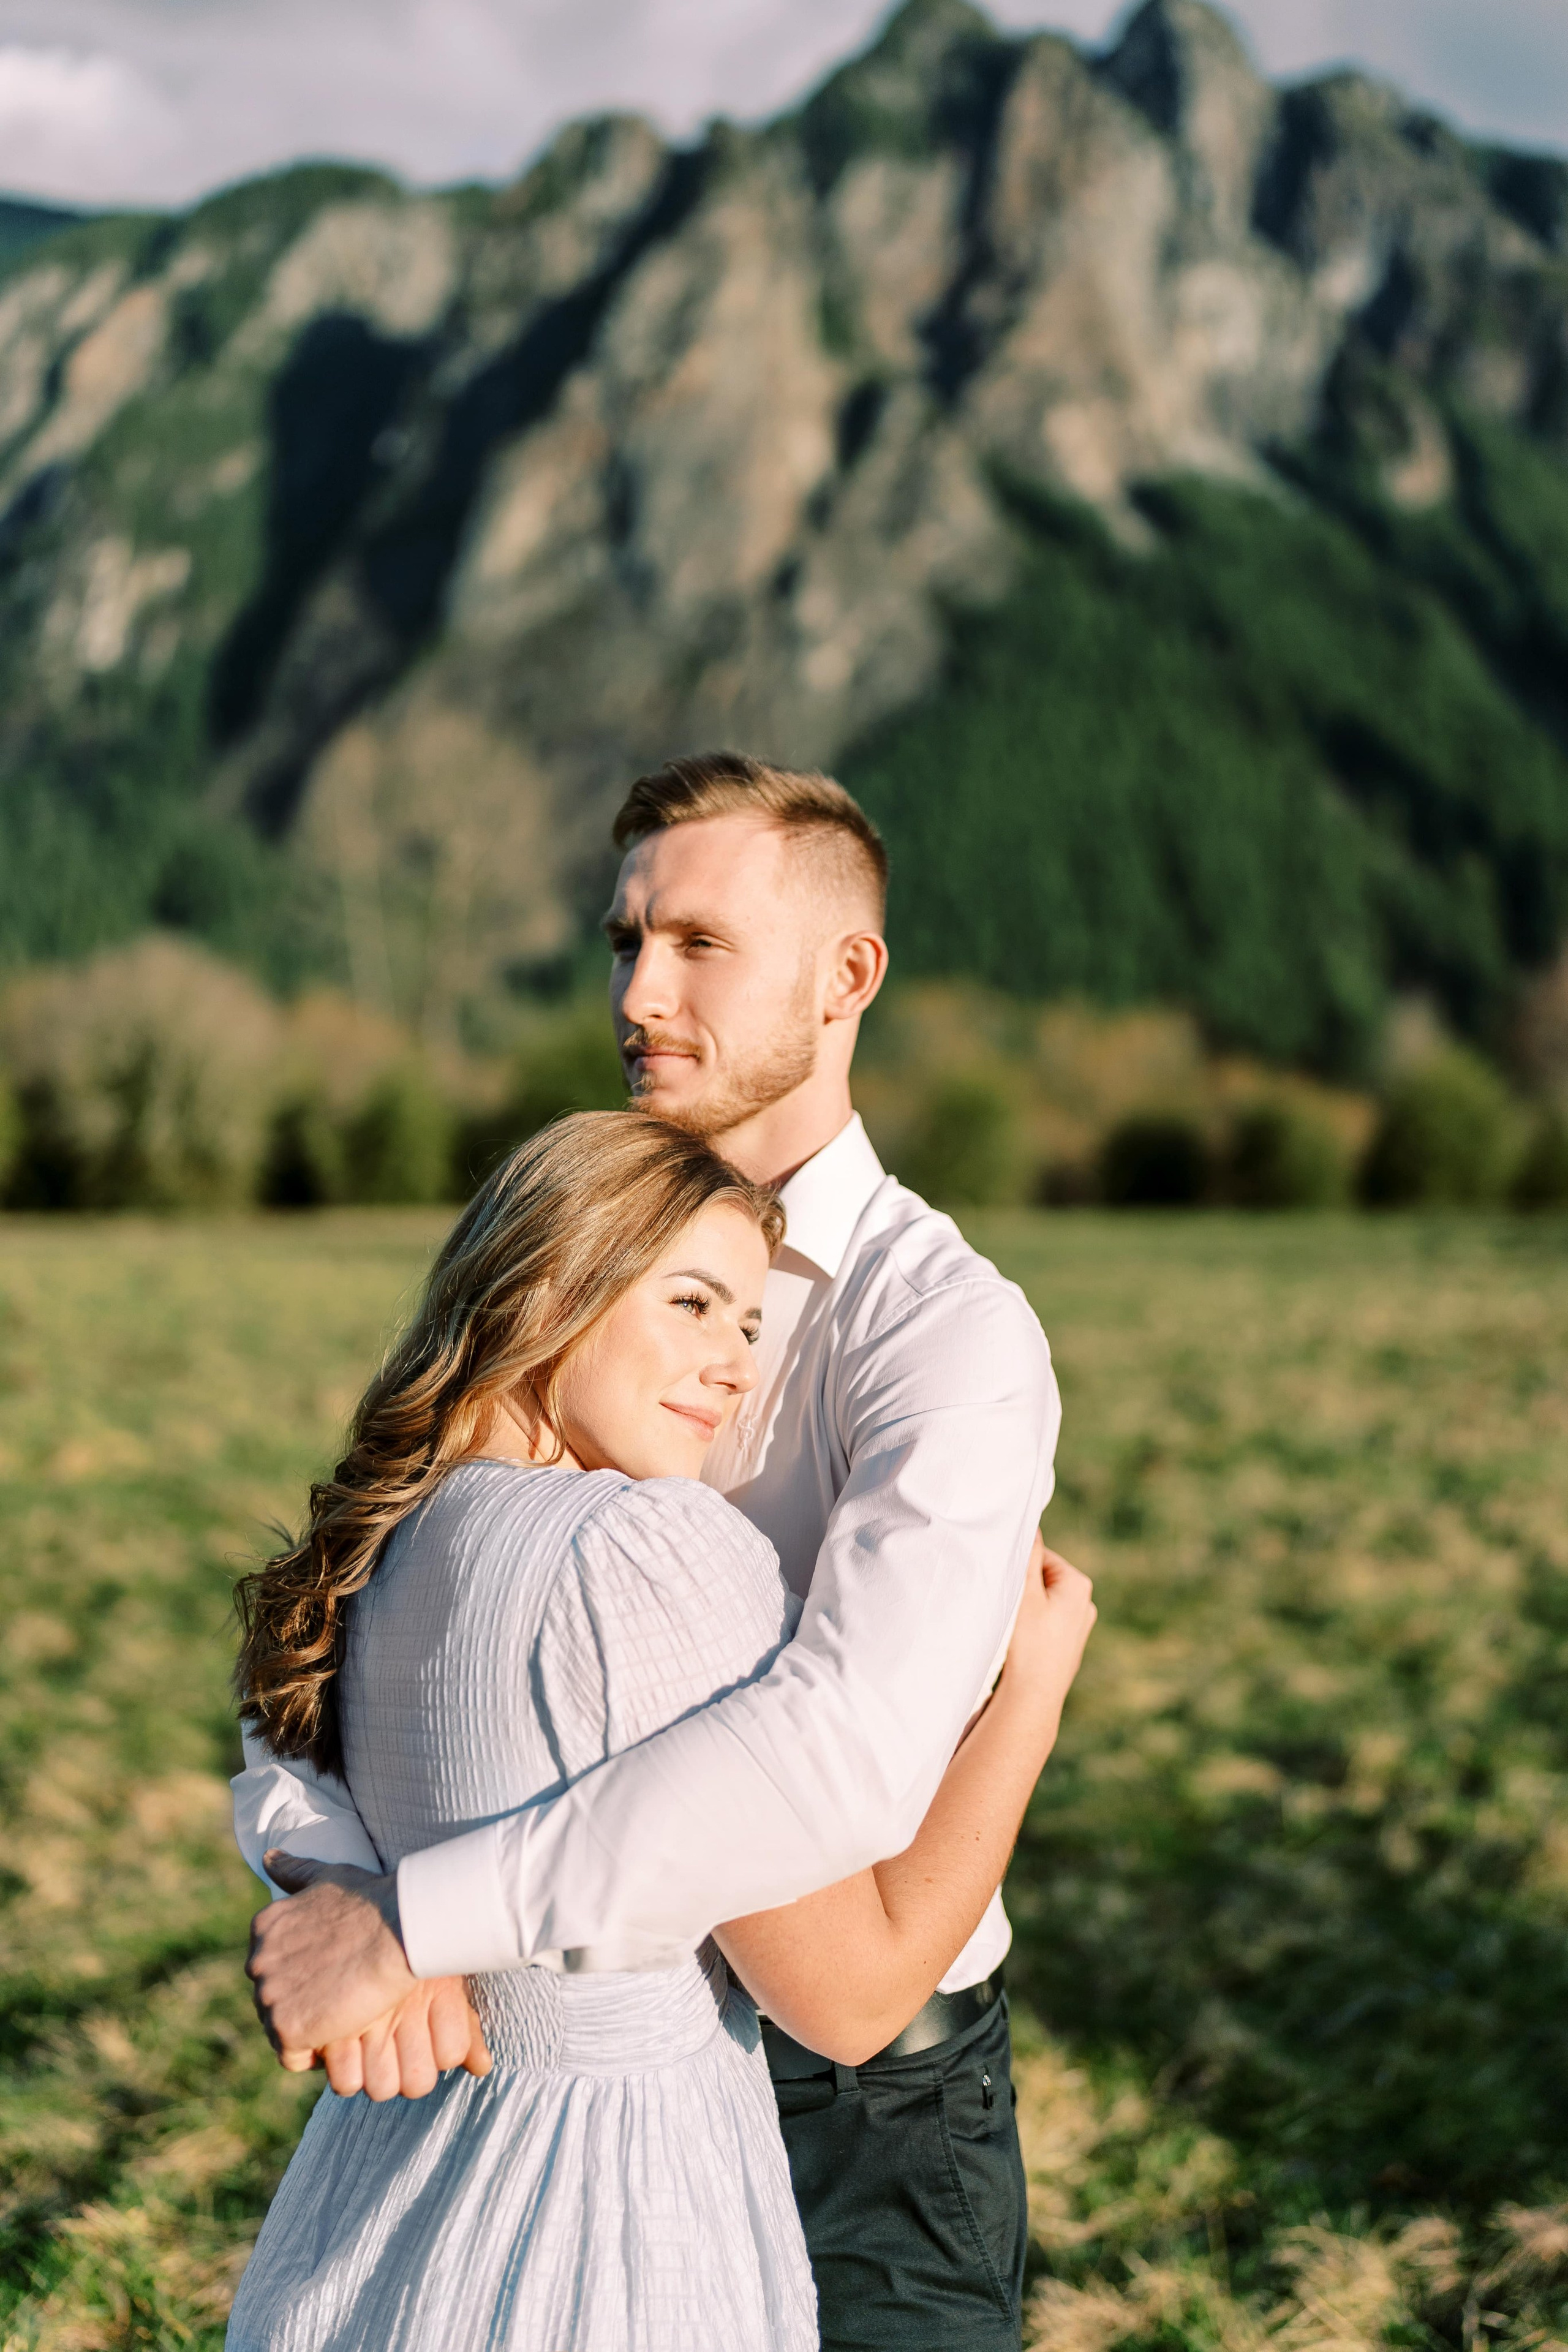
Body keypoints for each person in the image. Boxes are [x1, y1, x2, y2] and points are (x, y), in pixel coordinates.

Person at [238, 753, 1067, 2349]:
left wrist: (417, 1912)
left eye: (697, 945)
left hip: (857, 2096)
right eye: (625, 941)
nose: (638, 992)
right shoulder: (586, 1242)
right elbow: (352, 1587)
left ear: (848, 979)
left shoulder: (947, 1338)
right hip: (540, 2059)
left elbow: (836, 1761)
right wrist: (335, 1871)